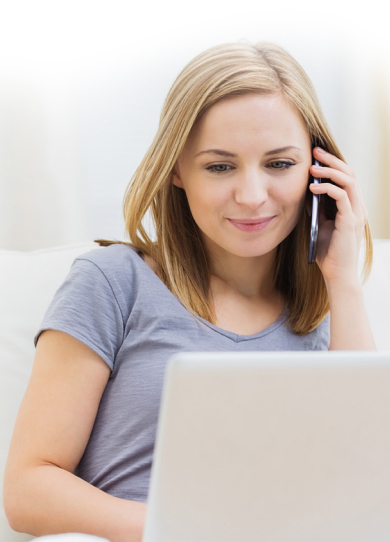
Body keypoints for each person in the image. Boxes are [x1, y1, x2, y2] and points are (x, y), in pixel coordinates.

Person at [4, 41, 375, 542]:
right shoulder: (113, 282)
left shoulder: (322, 319)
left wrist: (343, 281)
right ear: (177, 169)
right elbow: (28, 491)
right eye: (220, 166)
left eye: (280, 164)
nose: (251, 195)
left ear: (318, 169)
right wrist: (183, 531)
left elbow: (358, 485)